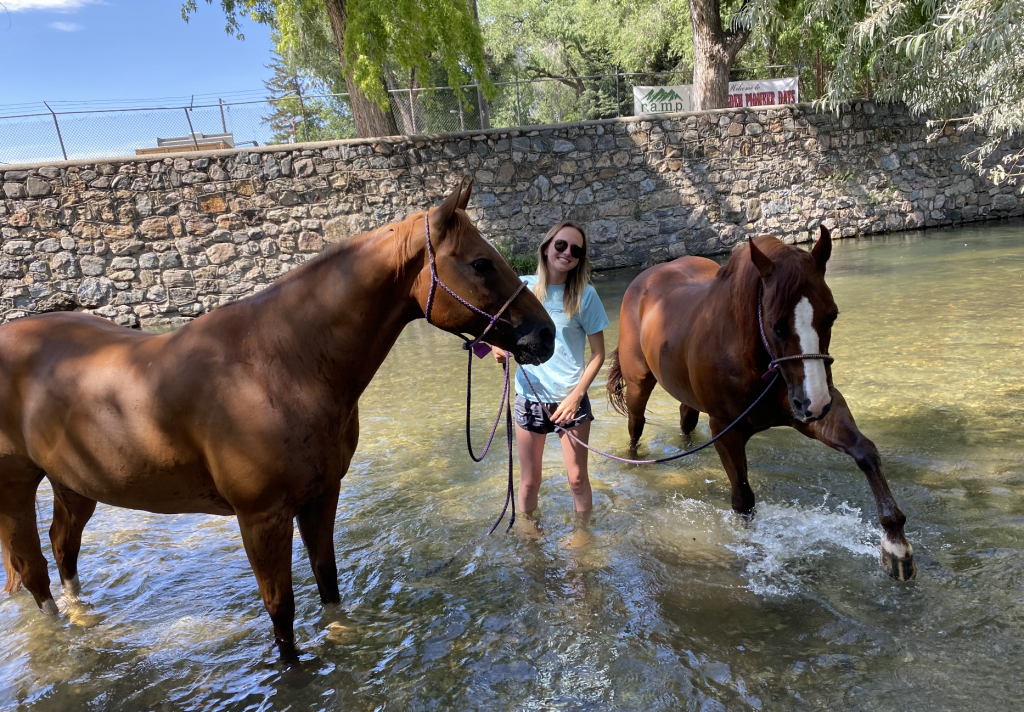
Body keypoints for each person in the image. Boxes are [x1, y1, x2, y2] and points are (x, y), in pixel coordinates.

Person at [493, 221, 609, 515]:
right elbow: (488, 323)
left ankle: (583, 536)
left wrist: (576, 396)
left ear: (580, 259)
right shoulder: (521, 288)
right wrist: (496, 346)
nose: (567, 252)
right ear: (546, 248)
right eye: (561, 244)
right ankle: (529, 534)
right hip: (529, 398)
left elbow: (598, 354)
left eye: (576, 250)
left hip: (571, 400)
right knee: (530, 482)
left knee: (578, 480)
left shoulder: (586, 296)